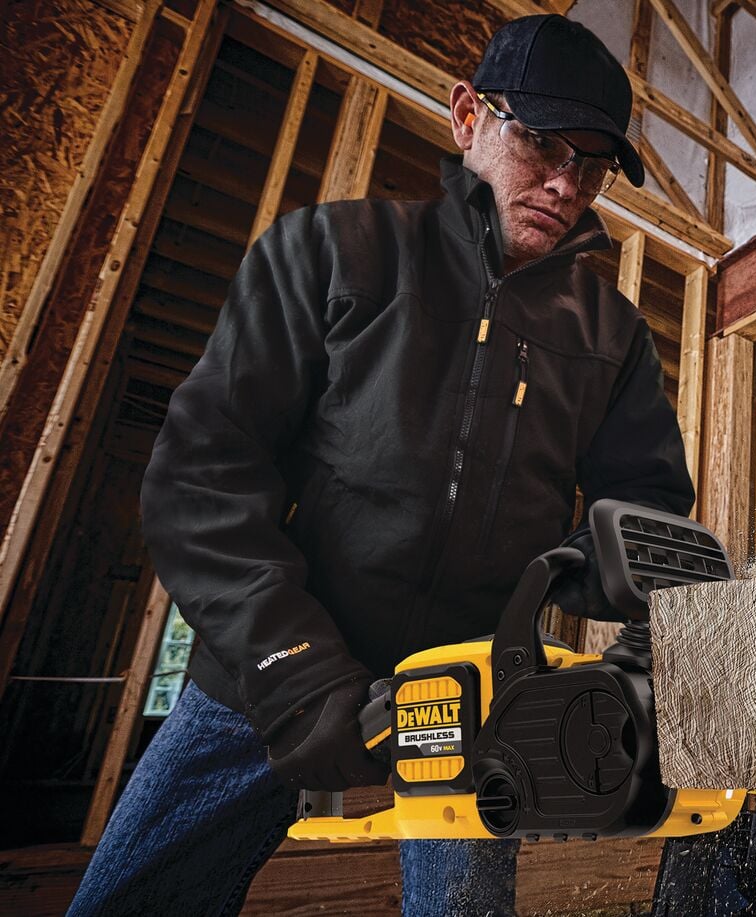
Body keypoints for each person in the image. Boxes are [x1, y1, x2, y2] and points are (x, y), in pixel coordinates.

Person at [68, 14, 691, 916]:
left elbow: (650, 511)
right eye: (542, 143)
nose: (566, 184)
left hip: (468, 695)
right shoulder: (329, 251)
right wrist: (295, 671)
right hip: (267, 672)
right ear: (467, 115)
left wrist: (579, 570)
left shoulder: (612, 337)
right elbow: (203, 476)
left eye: (592, 168)